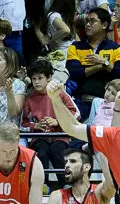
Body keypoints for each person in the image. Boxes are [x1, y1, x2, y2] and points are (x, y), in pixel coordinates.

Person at [22, 60, 80, 190]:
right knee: (41, 153)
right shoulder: (29, 99)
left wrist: (58, 122)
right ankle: (43, 185)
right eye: (34, 78)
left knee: (57, 151)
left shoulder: (60, 93)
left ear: (48, 78)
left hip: (59, 135)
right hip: (39, 137)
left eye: (40, 78)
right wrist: (34, 126)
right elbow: (23, 124)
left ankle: (66, 184)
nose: (37, 82)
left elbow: (76, 113)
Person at [66, 8, 120, 100]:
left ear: (104, 25)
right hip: (82, 98)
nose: (87, 25)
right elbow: (73, 73)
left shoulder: (117, 49)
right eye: (87, 21)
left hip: (107, 101)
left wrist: (105, 62)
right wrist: (100, 66)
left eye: (92, 21)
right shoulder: (76, 47)